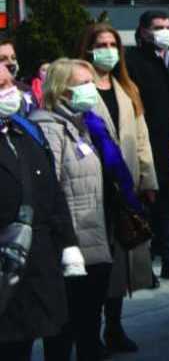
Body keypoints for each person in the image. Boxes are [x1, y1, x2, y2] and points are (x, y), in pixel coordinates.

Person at [77, 23, 156, 354]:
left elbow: (141, 137)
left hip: (125, 188)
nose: (108, 49)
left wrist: (148, 179)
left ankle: (115, 326)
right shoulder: (80, 86)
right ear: (87, 48)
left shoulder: (127, 88)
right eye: (101, 43)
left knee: (122, 261)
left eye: (113, 43)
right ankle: (89, 334)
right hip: (93, 188)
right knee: (97, 266)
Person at [30, 60, 114, 361]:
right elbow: (49, 187)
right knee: (65, 328)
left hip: (93, 237)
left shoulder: (80, 123)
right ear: (62, 90)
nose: (91, 89)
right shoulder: (49, 127)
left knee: (89, 321)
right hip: (71, 244)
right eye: (84, 83)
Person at [0, 64, 81, 361]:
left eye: (10, 83)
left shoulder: (24, 131)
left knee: (52, 332)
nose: (10, 91)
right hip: (6, 263)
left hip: (39, 259)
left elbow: (52, 190)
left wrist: (69, 244)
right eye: (1, 86)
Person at [125, 10, 169, 281]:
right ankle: (145, 266)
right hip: (146, 141)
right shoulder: (132, 61)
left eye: (168, 26)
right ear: (143, 31)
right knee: (145, 205)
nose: (165, 31)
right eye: (158, 27)